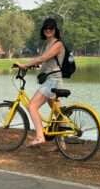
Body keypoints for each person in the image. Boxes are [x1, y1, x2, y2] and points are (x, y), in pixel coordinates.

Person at [13, 18, 65, 148]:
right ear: (43, 30)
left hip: (53, 81)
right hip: (54, 80)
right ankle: (62, 144)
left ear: (55, 30)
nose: (48, 30)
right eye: (46, 28)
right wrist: (30, 66)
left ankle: (40, 137)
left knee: (32, 106)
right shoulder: (48, 44)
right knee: (59, 114)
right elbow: (44, 61)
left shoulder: (57, 44)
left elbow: (43, 58)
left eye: (51, 28)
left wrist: (24, 65)